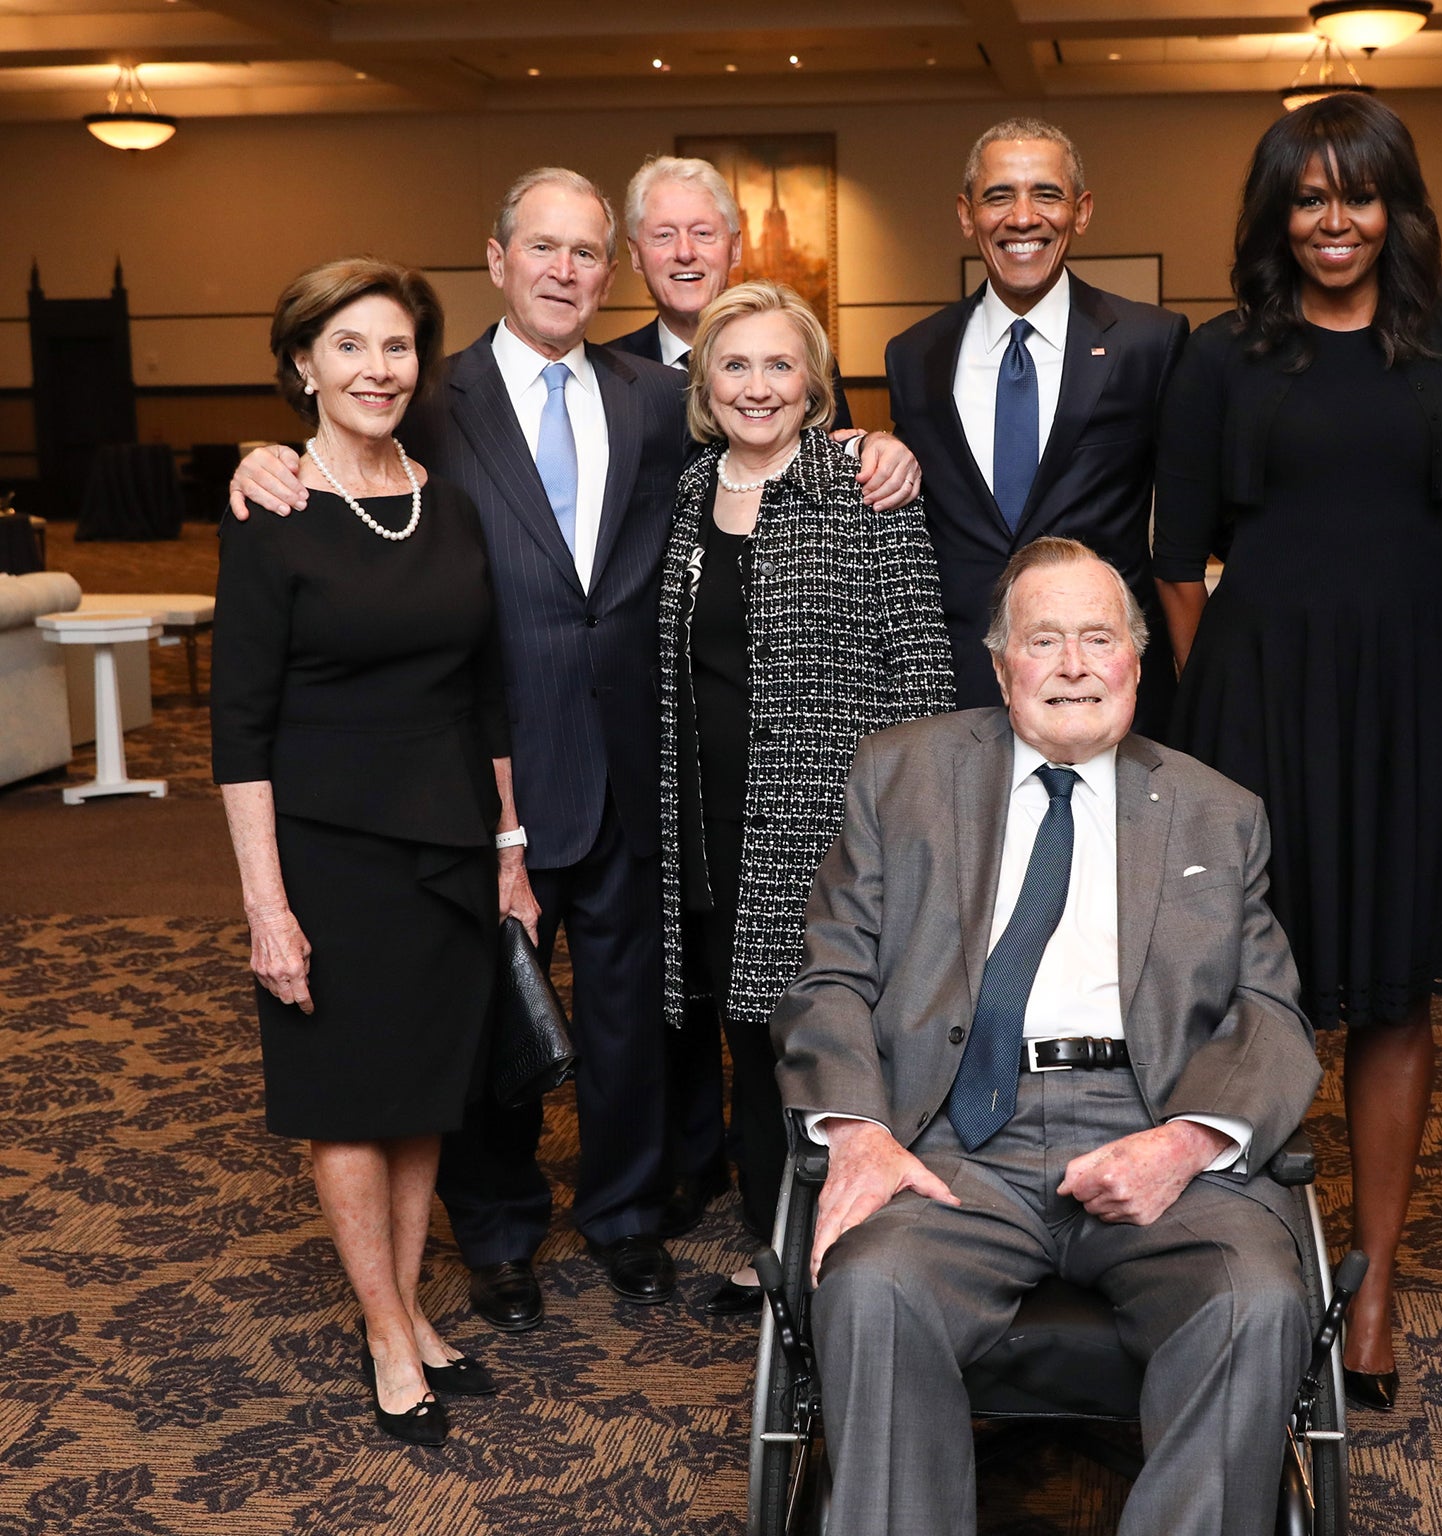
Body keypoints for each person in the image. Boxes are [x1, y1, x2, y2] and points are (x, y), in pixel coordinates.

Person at [225, 166, 916, 1330]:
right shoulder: (428, 395)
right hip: (474, 768)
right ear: (494, 260)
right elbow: (338, 436)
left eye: (586, 253)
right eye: (539, 248)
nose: (562, 271)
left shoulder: (659, 394)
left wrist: (871, 445)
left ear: (614, 272)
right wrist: (264, 453)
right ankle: (495, 1233)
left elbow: (761, 451)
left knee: (630, 1011)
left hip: (642, 760)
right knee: (484, 1008)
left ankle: (626, 1214)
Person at [772, 538, 1325, 1536]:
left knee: (1255, 1300)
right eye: (1044, 641)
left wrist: (1189, 1142)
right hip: (953, 1140)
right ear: (1000, 667)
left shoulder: (1216, 811)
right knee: (870, 1290)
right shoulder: (900, 776)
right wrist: (855, 1132)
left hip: (1152, 1131)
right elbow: (831, 979)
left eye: (1097, 639)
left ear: (1134, 660)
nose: (1073, 664)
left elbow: (1270, 1014)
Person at [1152, 92, 1442, 1415]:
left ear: (1397, 208)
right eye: (1309, 197)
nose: (1334, 222)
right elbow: (1178, 557)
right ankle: (1255, 1269)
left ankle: (1378, 1283)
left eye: (1359, 196)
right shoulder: (1226, 353)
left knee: (1396, 997)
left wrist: (1403, 654)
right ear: (1275, 213)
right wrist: (1228, 701)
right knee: (1254, 994)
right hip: (1254, 703)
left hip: (1413, 697)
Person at [213, 257, 536, 1446]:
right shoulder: (271, 508)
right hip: (329, 851)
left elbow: (485, 694)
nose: (376, 369)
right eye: (348, 346)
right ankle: (387, 1331)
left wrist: (507, 847)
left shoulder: (441, 503)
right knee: (350, 1101)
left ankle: (405, 1306)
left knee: (421, 1097)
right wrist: (265, 905)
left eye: (395, 348)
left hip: (447, 839)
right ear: (303, 363)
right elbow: (237, 727)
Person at [657, 281, 953, 1313]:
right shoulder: (689, 493)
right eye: (733, 365)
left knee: (827, 1034)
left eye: (779, 364)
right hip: (710, 815)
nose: (756, 386)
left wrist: (915, 836)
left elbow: (921, 671)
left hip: (832, 823)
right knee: (743, 1033)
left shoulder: (860, 484)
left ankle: (849, 1238)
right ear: (704, 384)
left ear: (815, 382)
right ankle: (771, 1237)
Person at [885, 118, 1187, 734]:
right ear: (967, 216)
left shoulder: (1149, 342)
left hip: (1102, 682)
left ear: (1081, 211)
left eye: (1046, 194)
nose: (1023, 217)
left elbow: (1186, 521)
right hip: (955, 683)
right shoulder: (913, 354)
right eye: (999, 196)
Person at [611, 155, 860, 432]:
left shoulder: (803, 360)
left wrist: (874, 444)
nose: (684, 252)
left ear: (736, 247)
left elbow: (840, 457)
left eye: (702, 233)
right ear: (635, 254)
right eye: (664, 235)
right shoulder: (608, 371)